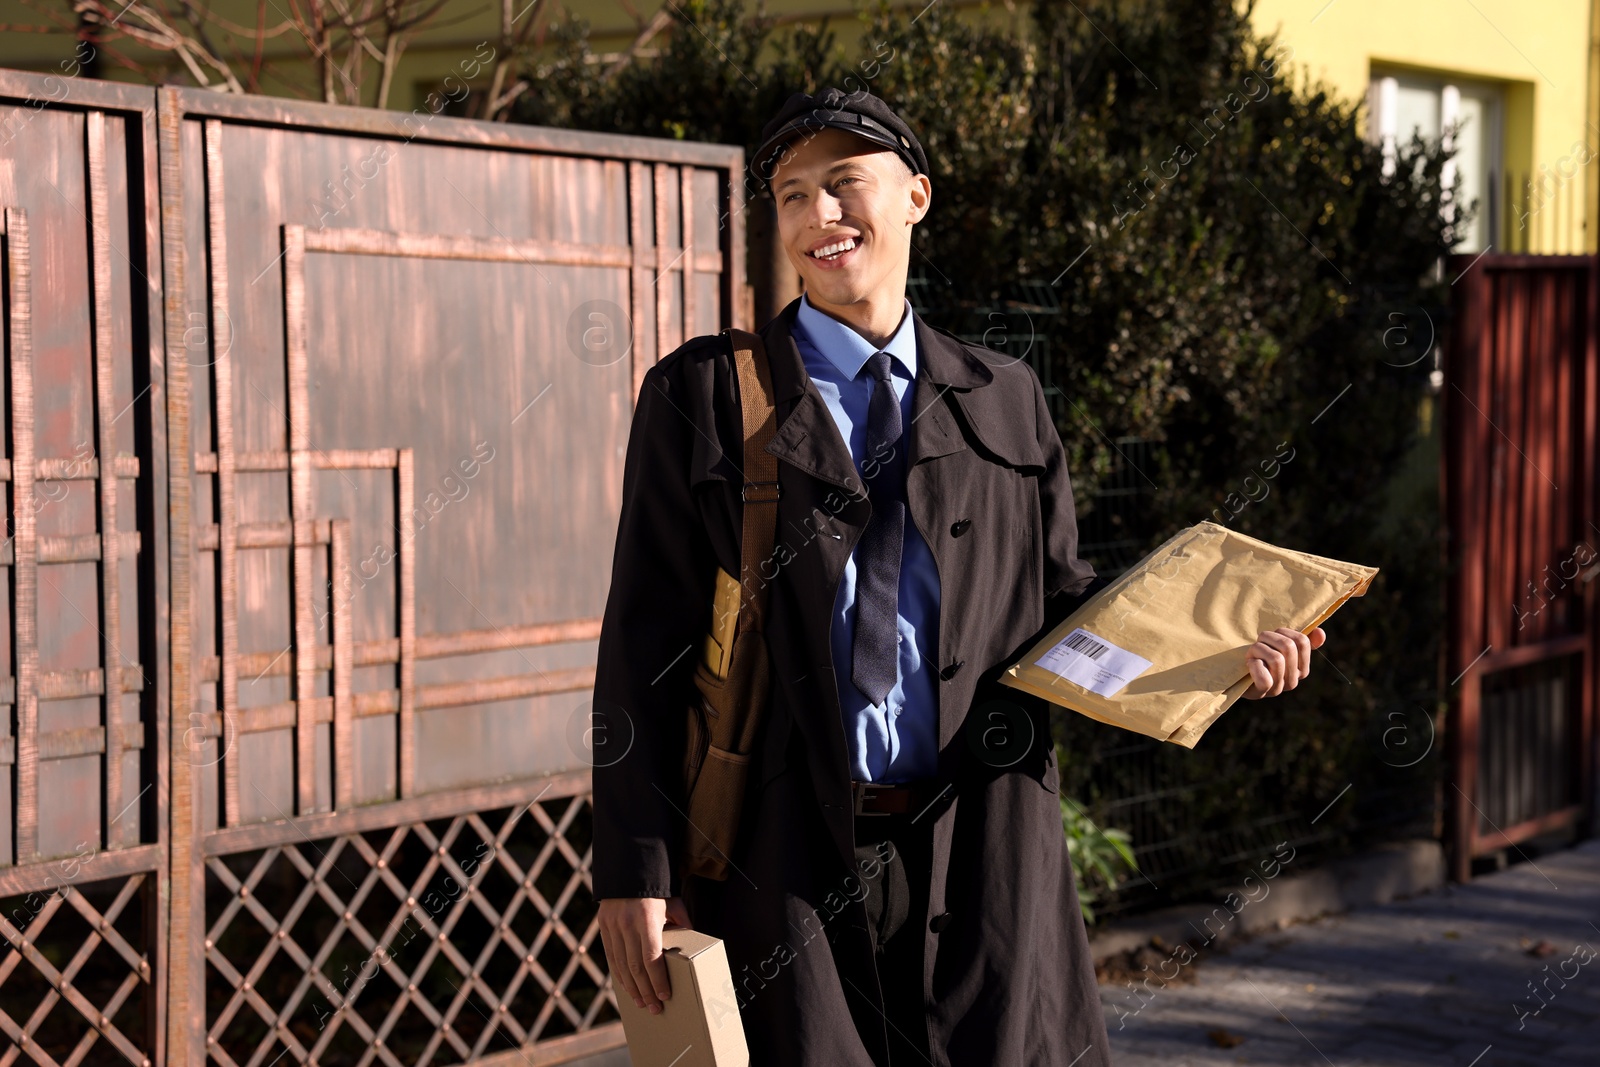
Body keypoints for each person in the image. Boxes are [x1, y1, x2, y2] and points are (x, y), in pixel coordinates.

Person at [590, 87, 1326, 1067]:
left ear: (915, 198)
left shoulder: (1006, 399)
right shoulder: (704, 394)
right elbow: (643, 643)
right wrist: (633, 866)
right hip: (782, 857)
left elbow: (1070, 615)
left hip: (982, 849)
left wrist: (1226, 658)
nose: (818, 217)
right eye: (793, 195)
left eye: (843, 185)